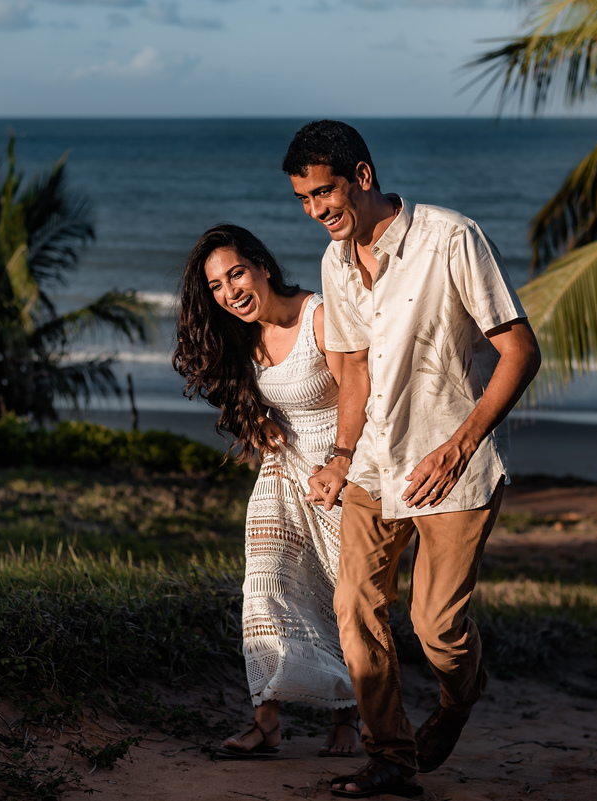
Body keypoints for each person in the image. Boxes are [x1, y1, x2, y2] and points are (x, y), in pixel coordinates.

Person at [282, 121, 541, 798]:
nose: (316, 210)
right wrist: (341, 458)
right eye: (303, 200)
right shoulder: (335, 263)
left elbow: (520, 350)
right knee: (355, 605)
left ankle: (460, 696)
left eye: (324, 192)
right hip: (374, 464)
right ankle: (391, 759)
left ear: (361, 177)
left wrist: (460, 444)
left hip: (453, 468)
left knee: (437, 628)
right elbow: (357, 376)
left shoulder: (450, 238)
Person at [173, 224, 361, 759]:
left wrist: (342, 465)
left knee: (340, 598)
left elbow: (364, 394)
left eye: (235, 274)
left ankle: (346, 716)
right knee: (264, 587)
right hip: (281, 474)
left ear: (263, 266)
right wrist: (251, 417)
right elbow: (239, 395)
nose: (229, 292)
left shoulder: (318, 317)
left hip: (339, 475)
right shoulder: (239, 332)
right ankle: (265, 722)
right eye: (216, 286)